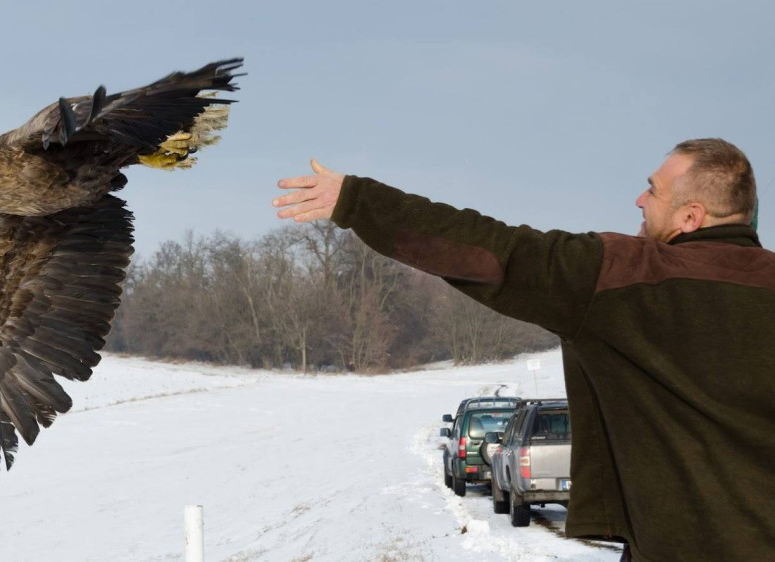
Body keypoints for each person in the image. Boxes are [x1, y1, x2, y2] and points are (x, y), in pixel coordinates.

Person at [273, 139, 774, 562]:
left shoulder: (625, 275)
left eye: (654, 190)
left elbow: (492, 252)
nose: (640, 200)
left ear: (691, 216)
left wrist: (357, 201)